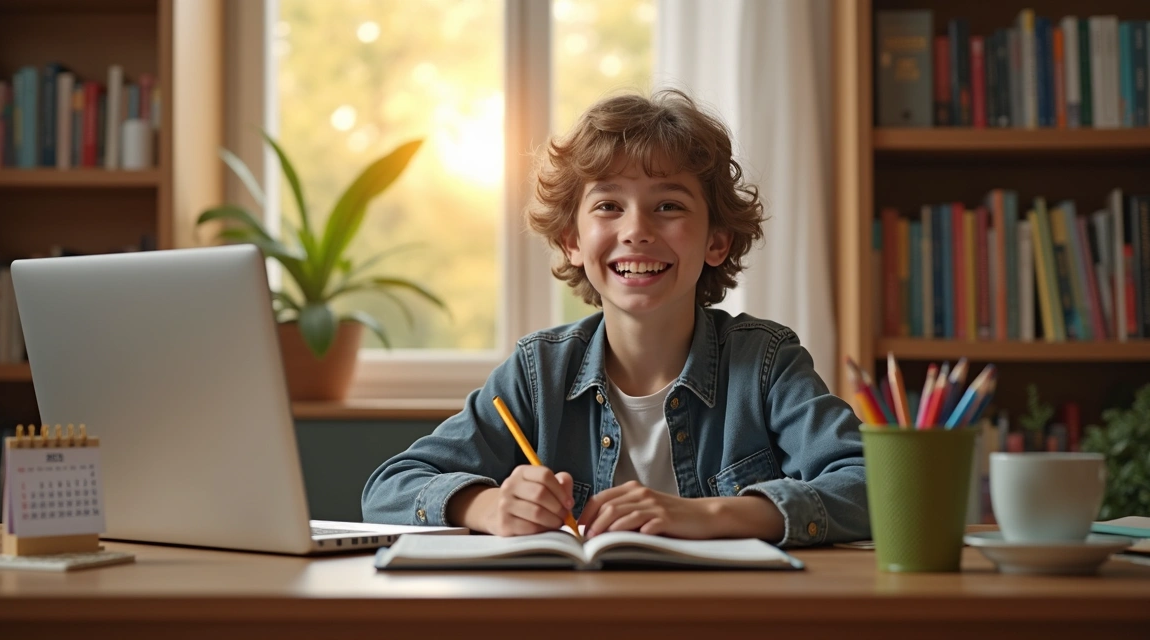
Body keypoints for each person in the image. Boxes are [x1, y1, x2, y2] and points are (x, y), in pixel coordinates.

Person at [362, 89, 868, 547]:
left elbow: (870, 485)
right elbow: (389, 489)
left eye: (668, 205)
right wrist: (489, 506)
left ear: (716, 241)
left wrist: (711, 514)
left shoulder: (766, 363)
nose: (636, 230)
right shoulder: (538, 373)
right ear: (572, 241)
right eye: (608, 205)